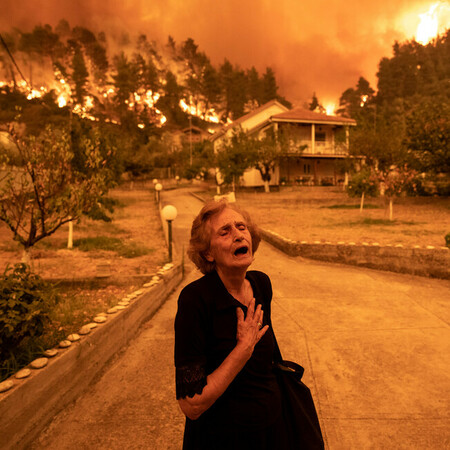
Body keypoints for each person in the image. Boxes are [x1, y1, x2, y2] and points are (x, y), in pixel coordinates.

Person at [174, 199, 289, 449]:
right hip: (223, 438)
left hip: (273, 431)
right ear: (207, 252)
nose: (238, 235)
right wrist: (242, 351)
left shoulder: (261, 284)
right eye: (225, 232)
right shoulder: (195, 300)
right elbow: (191, 404)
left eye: (241, 227)